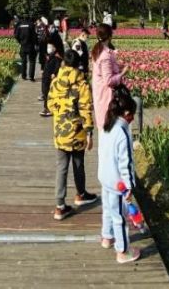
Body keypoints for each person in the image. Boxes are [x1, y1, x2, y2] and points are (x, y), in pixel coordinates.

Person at [47, 48, 97, 219]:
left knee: (61, 167)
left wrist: (61, 113)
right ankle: (81, 194)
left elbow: (50, 105)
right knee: (78, 163)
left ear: (63, 63)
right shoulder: (82, 84)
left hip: (60, 130)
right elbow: (85, 109)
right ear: (77, 64)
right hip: (77, 131)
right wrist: (90, 132)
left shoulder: (55, 82)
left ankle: (60, 205)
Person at [98, 86, 141, 264]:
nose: (132, 119)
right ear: (126, 113)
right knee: (119, 217)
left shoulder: (107, 125)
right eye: (132, 115)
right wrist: (129, 186)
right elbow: (126, 163)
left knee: (108, 209)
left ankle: (107, 237)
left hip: (105, 177)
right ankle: (122, 251)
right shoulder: (123, 133)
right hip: (118, 183)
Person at [90, 23, 126, 127]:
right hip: (106, 95)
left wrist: (116, 67)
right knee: (107, 126)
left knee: (104, 125)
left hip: (99, 92)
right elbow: (108, 80)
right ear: (110, 36)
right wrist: (123, 73)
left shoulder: (97, 50)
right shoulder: (105, 55)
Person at [40, 39, 62, 115]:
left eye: (50, 46)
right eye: (48, 46)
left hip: (51, 78)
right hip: (45, 76)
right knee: (45, 92)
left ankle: (49, 108)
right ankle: (46, 108)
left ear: (55, 48)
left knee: (50, 93)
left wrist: (54, 73)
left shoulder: (57, 57)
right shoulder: (49, 55)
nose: (48, 48)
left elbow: (57, 66)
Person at [14, 16, 38, 81]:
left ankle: (23, 76)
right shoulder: (31, 25)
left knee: (23, 61)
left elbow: (16, 35)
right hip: (31, 46)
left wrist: (20, 42)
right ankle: (31, 77)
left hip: (23, 45)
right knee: (32, 61)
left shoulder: (19, 25)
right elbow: (34, 36)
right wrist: (36, 44)